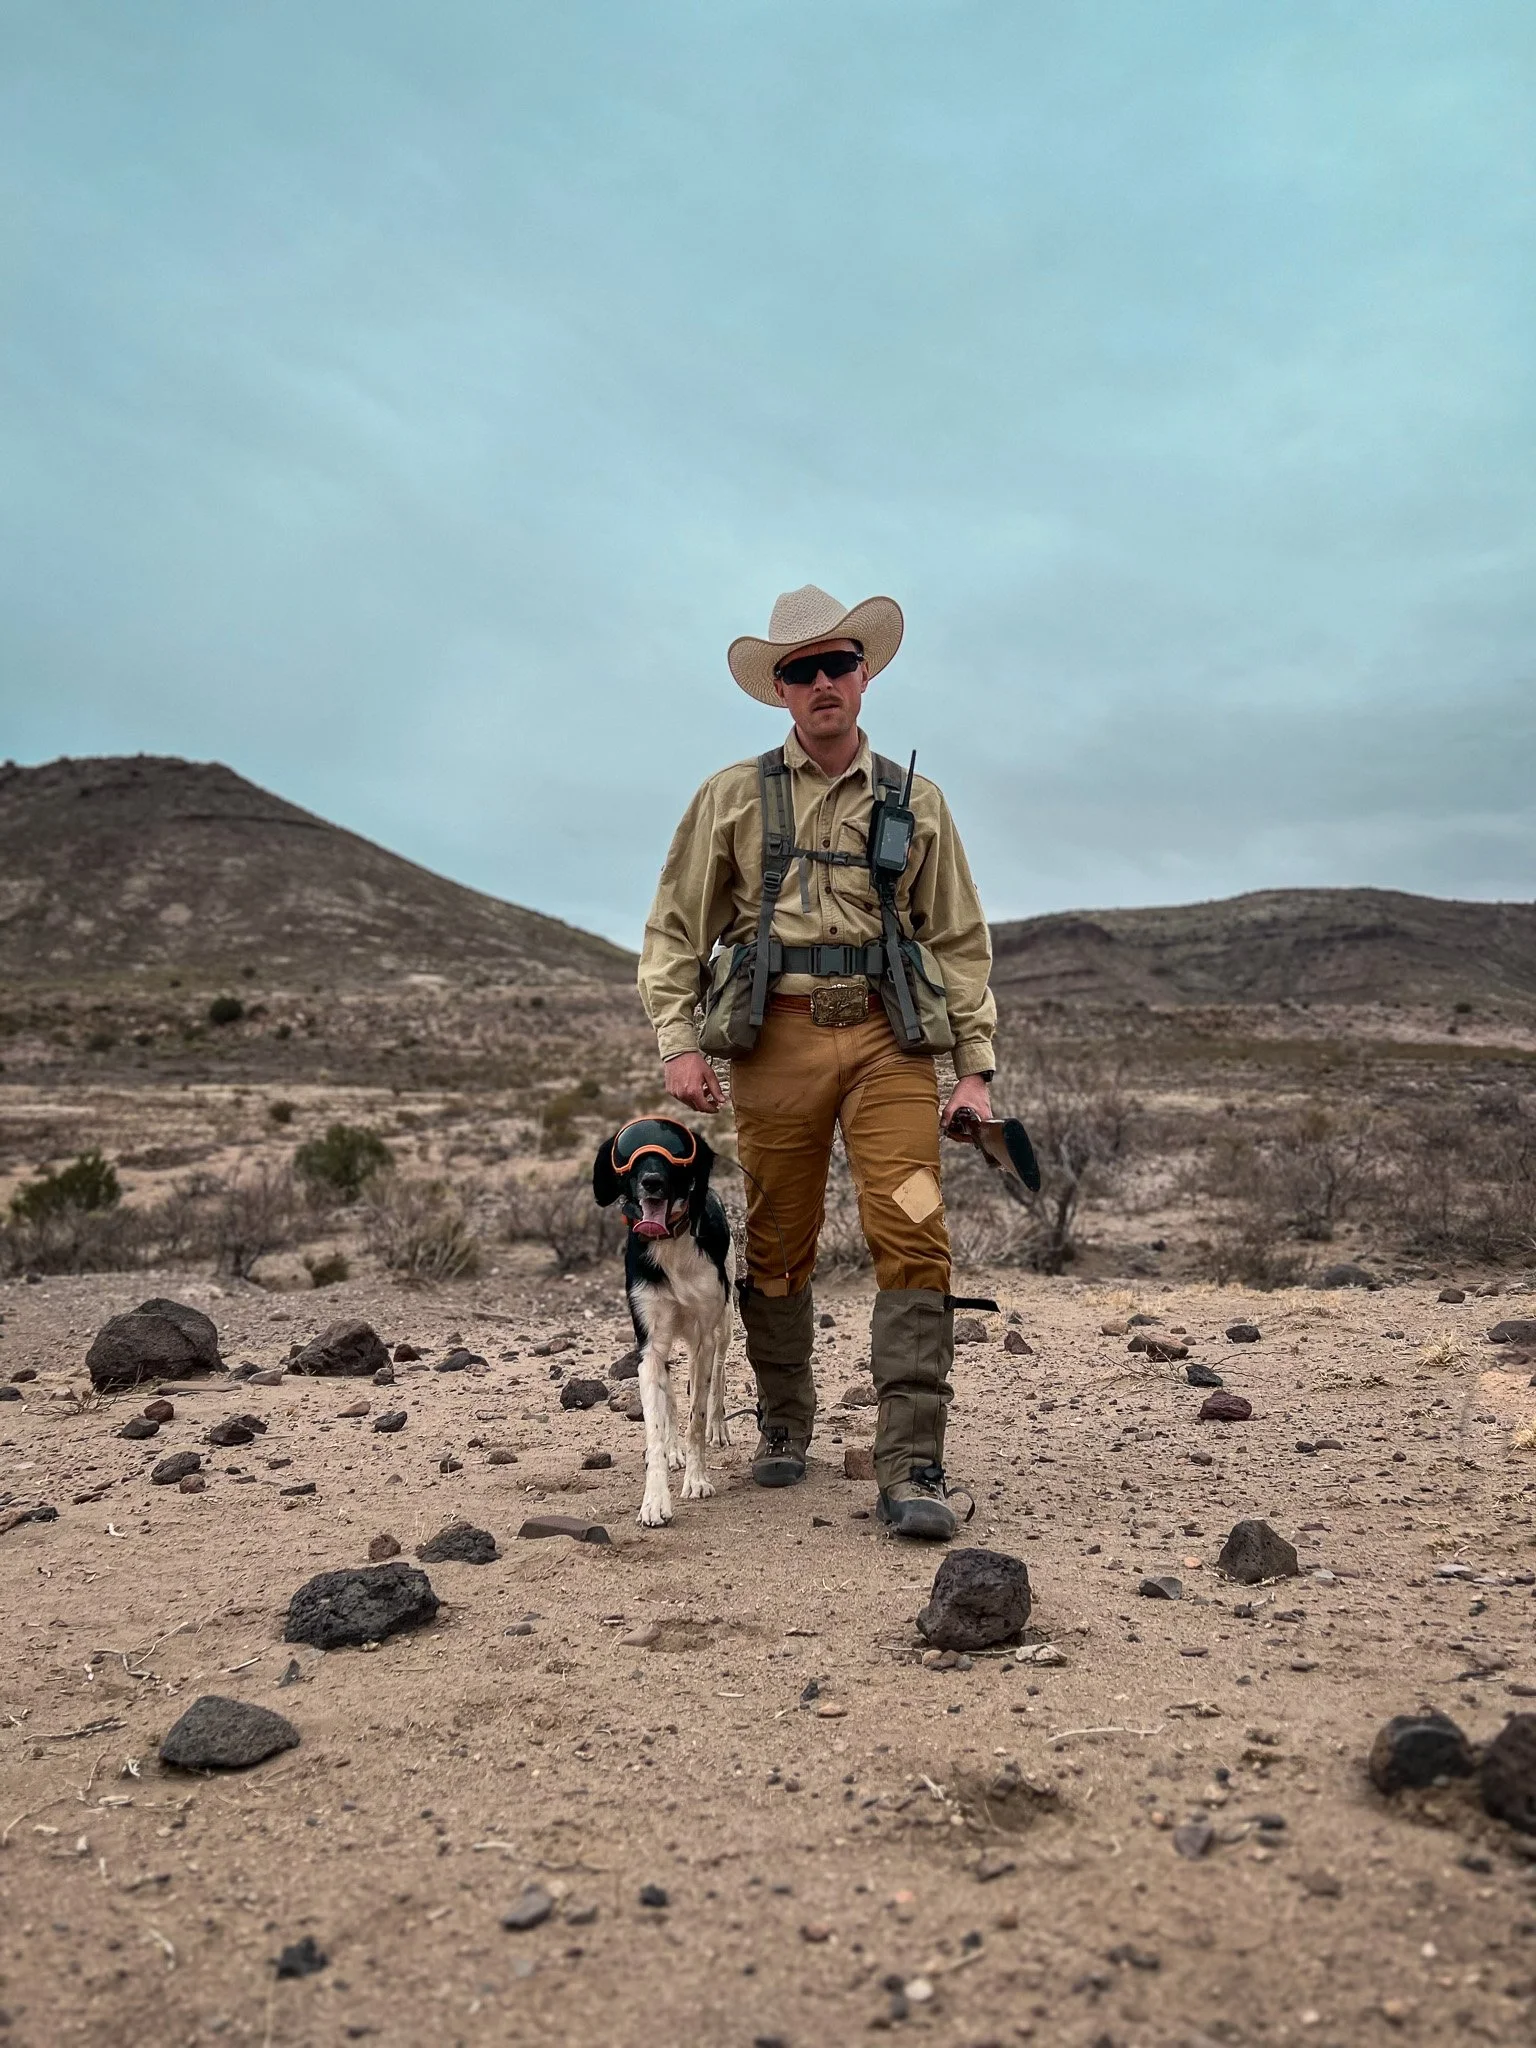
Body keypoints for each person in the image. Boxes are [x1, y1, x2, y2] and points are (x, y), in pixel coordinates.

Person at [637, 585, 997, 1540]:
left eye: (838, 663)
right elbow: (674, 929)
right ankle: (784, 1420)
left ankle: (911, 1463)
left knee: (914, 1229)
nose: (823, 682)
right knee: (778, 1239)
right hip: (777, 1045)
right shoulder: (731, 796)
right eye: (802, 671)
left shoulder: (916, 801)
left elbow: (957, 941)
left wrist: (974, 1069)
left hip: (889, 1044)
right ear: (781, 689)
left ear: (864, 675)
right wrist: (679, 1041)